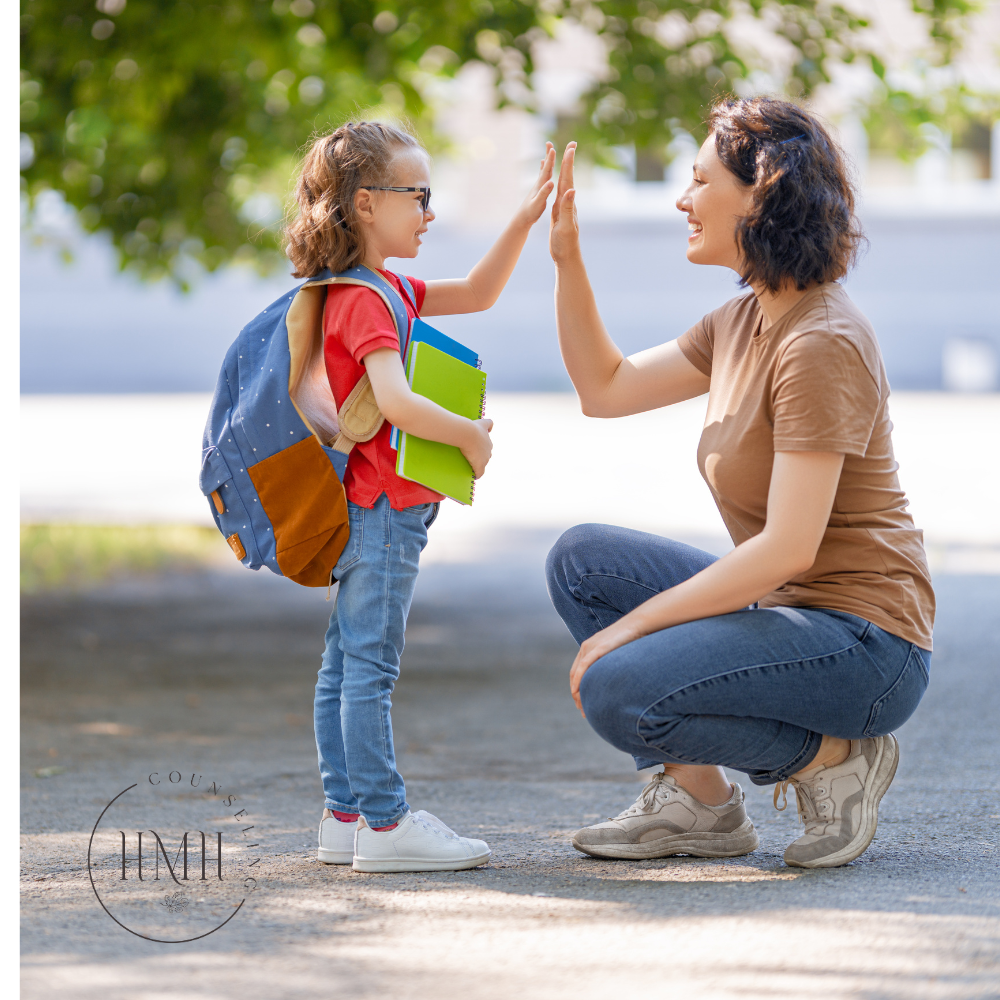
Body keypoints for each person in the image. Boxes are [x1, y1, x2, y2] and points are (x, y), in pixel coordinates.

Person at [544, 97, 934, 869]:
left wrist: (629, 630)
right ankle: (700, 804)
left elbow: (787, 547)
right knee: (583, 561)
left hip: (866, 644)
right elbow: (606, 387)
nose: (681, 199)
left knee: (620, 687)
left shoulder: (821, 340)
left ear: (762, 193)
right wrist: (567, 258)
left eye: (699, 180)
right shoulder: (742, 321)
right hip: (794, 613)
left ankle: (833, 759)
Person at [285, 121, 555, 872]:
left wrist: (525, 217)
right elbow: (396, 402)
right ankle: (385, 823)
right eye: (420, 196)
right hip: (381, 510)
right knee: (369, 667)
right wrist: (470, 436)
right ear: (367, 203)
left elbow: (477, 292)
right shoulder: (368, 300)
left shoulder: (374, 289)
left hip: (360, 508)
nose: (429, 213)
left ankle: (345, 817)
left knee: (343, 663)